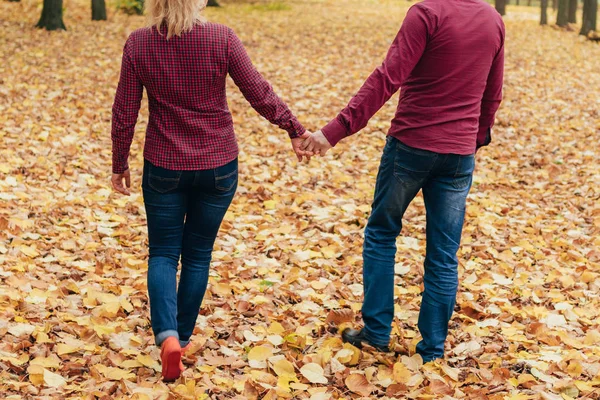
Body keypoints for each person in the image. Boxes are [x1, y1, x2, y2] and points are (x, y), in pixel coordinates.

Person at [110, 0, 310, 381]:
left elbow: (125, 109)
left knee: (164, 253)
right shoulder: (222, 39)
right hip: (218, 165)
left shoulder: (139, 43)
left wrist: (119, 163)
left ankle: (166, 335)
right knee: (198, 255)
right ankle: (181, 339)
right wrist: (294, 129)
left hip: (164, 164)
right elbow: (259, 92)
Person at [301, 0, 505, 362]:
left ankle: (377, 333)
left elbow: (387, 78)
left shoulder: (427, 13)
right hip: (458, 154)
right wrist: (472, 140)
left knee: (381, 233)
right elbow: (493, 93)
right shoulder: (492, 19)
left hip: (411, 146)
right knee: (444, 254)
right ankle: (432, 351)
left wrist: (334, 132)